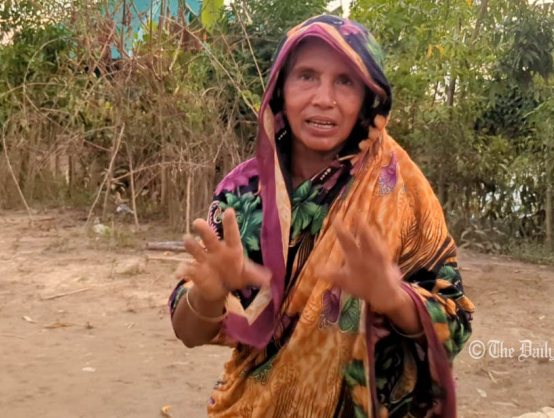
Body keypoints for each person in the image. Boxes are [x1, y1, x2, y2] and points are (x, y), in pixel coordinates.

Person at [168, 15, 475, 418]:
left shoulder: (401, 186)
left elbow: (456, 323)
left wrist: (396, 299)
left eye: (345, 81)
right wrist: (208, 295)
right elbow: (188, 333)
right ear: (280, 87)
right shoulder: (243, 193)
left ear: (369, 96)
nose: (324, 99)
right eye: (307, 76)